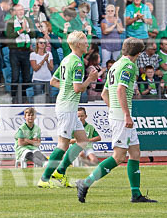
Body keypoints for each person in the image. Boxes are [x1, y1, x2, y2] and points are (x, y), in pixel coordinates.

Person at [76, 37, 155, 203]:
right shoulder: (129, 66)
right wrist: (124, 114)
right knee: (118, 157)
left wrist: (115, 110)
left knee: (135, 152)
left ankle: (136, 194)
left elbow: (104, 93)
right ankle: (85, 182)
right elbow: (120, 89)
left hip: (118, 114)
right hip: (122, 117)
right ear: (138, 53)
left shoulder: (115, 66)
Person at [37, 31, 100, 188]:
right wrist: (90, 79)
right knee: (63, 145)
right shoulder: (77, 63)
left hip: (67, 106)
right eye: (85, 41)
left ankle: (60, 173)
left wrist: (67, 88)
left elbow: (53, 81)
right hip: (67, 107)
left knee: (83, 141)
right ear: (78, 44)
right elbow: (78, 88)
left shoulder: (67, 59)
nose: (88, 44)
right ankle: (44, 179)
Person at [6, 3, 36, 102]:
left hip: (26, 51)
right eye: (18, 10)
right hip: (15, 51)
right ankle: (13, 98)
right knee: (15, 76)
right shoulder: (10, 21)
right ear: (14, 12)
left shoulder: (28, 20)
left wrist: (28, 30)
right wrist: (21, 30)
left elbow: (33, 34)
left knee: (26, 76)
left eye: (22, 10)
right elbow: (9, 36)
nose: (21, 12)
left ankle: (24, 97)